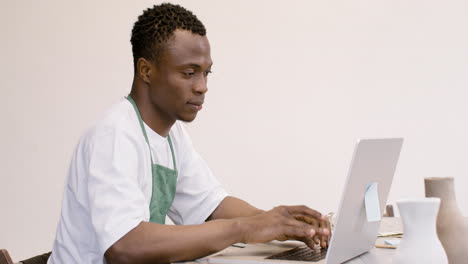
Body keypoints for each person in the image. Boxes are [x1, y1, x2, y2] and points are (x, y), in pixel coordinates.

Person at [43, 3, 331, 264]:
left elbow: (212, 205)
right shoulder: (114, 135)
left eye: (206, 73)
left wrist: (278, 222)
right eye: (189, 72)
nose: (202, 86)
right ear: (146, 70)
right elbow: (125, 246)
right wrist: (245, 228)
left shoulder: (171, 134)